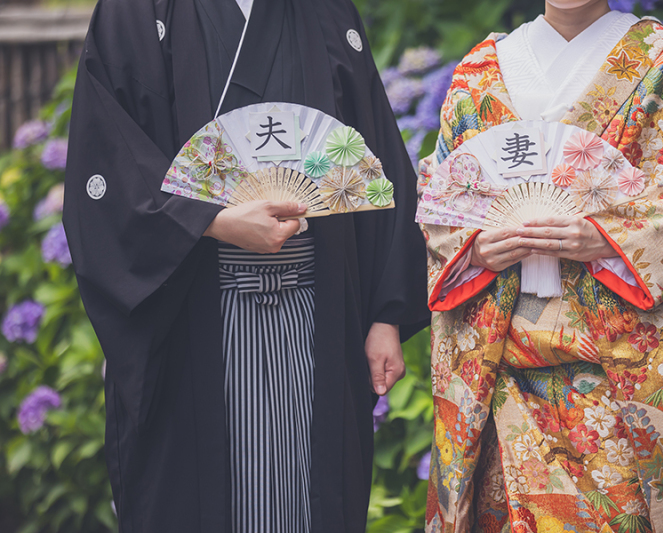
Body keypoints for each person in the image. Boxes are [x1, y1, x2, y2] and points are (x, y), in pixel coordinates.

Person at [63, 0, 429, 532]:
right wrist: (209, 218)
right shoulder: (136, 11)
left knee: (312, 501)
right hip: (193, 321)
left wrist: (386, 315)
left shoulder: (325, 12)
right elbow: (106, 167)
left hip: (317, 315)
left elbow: (379, 162)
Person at [419, 1, 663, 531]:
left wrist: (606, 237)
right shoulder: (480, 71)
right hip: (503, 360)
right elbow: (440, 197)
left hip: (619, 365)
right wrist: (474, 247)